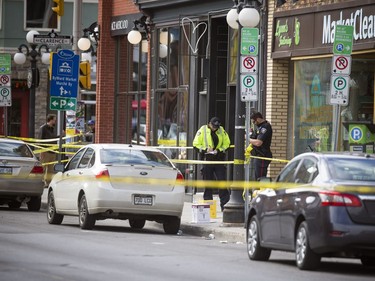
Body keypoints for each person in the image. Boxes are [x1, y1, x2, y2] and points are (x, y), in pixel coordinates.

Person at [193, 117, 231, 211]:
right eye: (214, 126)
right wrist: (205, 150)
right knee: (208, 184)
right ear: (209, 123)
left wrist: (219, 150)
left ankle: (224, 206)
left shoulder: (221, 130)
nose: (215, 128)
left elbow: (227, 143)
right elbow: (195, 144)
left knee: (222, 182)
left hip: (219, 159)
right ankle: (208, 209)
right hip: (207, 159)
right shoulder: (203, 130)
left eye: (217, 127)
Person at [247, 112, 273, 180]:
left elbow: (259, 142)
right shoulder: (259, 128)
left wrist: (247, 139)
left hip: (262, 156)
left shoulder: (265, 127)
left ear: (258, 119)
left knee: (260, 178)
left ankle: (262, 190)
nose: (254, 123)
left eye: (254, 121)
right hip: (257, 155)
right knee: (257, 178)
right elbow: (254, 137)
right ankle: (258, 190)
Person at [39, 114, 58, 187]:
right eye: (54, 120)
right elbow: (40, 140)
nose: (55, 121)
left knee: (50, 169)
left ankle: (48, 183)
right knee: (43, 168)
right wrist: (42, 151)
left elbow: (53, 138)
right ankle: (41, 182)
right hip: (45, 151)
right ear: (50, 120)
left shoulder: (52, 128)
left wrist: (61, 135)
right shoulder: (43, 128)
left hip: (52, 151)